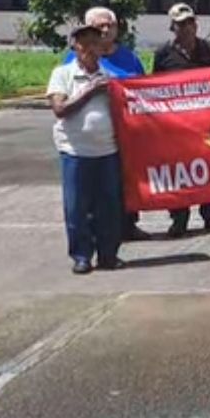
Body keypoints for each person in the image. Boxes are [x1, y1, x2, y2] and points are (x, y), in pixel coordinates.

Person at [62, 7, 149, 241]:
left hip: (126, 132)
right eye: (100, 26)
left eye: (110, 25)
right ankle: (95, 234)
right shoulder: (72, 61)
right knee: (93, 190)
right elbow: (63, 101)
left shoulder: (130, 57)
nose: (106, 30)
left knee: (125, 181)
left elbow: (143, 87)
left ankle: (128, 225)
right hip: (87, 141)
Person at [48, 22, 123, 275]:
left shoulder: (109, 77)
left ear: (102, 47)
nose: (89, 48)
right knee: (76, 208)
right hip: (75, 151)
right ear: (75, 47)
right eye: (84, 43)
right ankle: (81, 256)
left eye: (94, 43)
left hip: (107, 150)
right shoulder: (63, 74)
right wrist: (90, 91)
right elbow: (60, 109)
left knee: (109, 207)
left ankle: (108, 255)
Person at [152, 3, 210, 237]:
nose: (186, 28)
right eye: (180, 24)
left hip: (206, 122)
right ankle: (179, 219)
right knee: (179, 172)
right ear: (172, 27)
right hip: (176, 125)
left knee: (209, 169)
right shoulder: (163, 54)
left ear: (196, 24)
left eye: (190, 22)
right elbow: (154, 88)